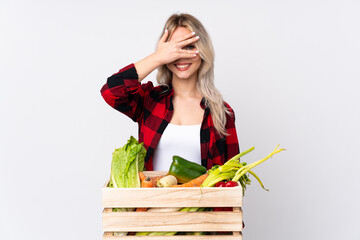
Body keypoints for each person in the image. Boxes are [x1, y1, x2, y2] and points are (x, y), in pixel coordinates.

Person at [100, 13, 240, 171]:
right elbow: (112, 91)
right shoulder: (149, 100)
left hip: (203, 196)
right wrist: (157, 57)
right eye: (173, 49)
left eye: (189, 47)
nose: (181, 55)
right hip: (152, 195)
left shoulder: (222, 112)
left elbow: (233, 178)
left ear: (202, 52)